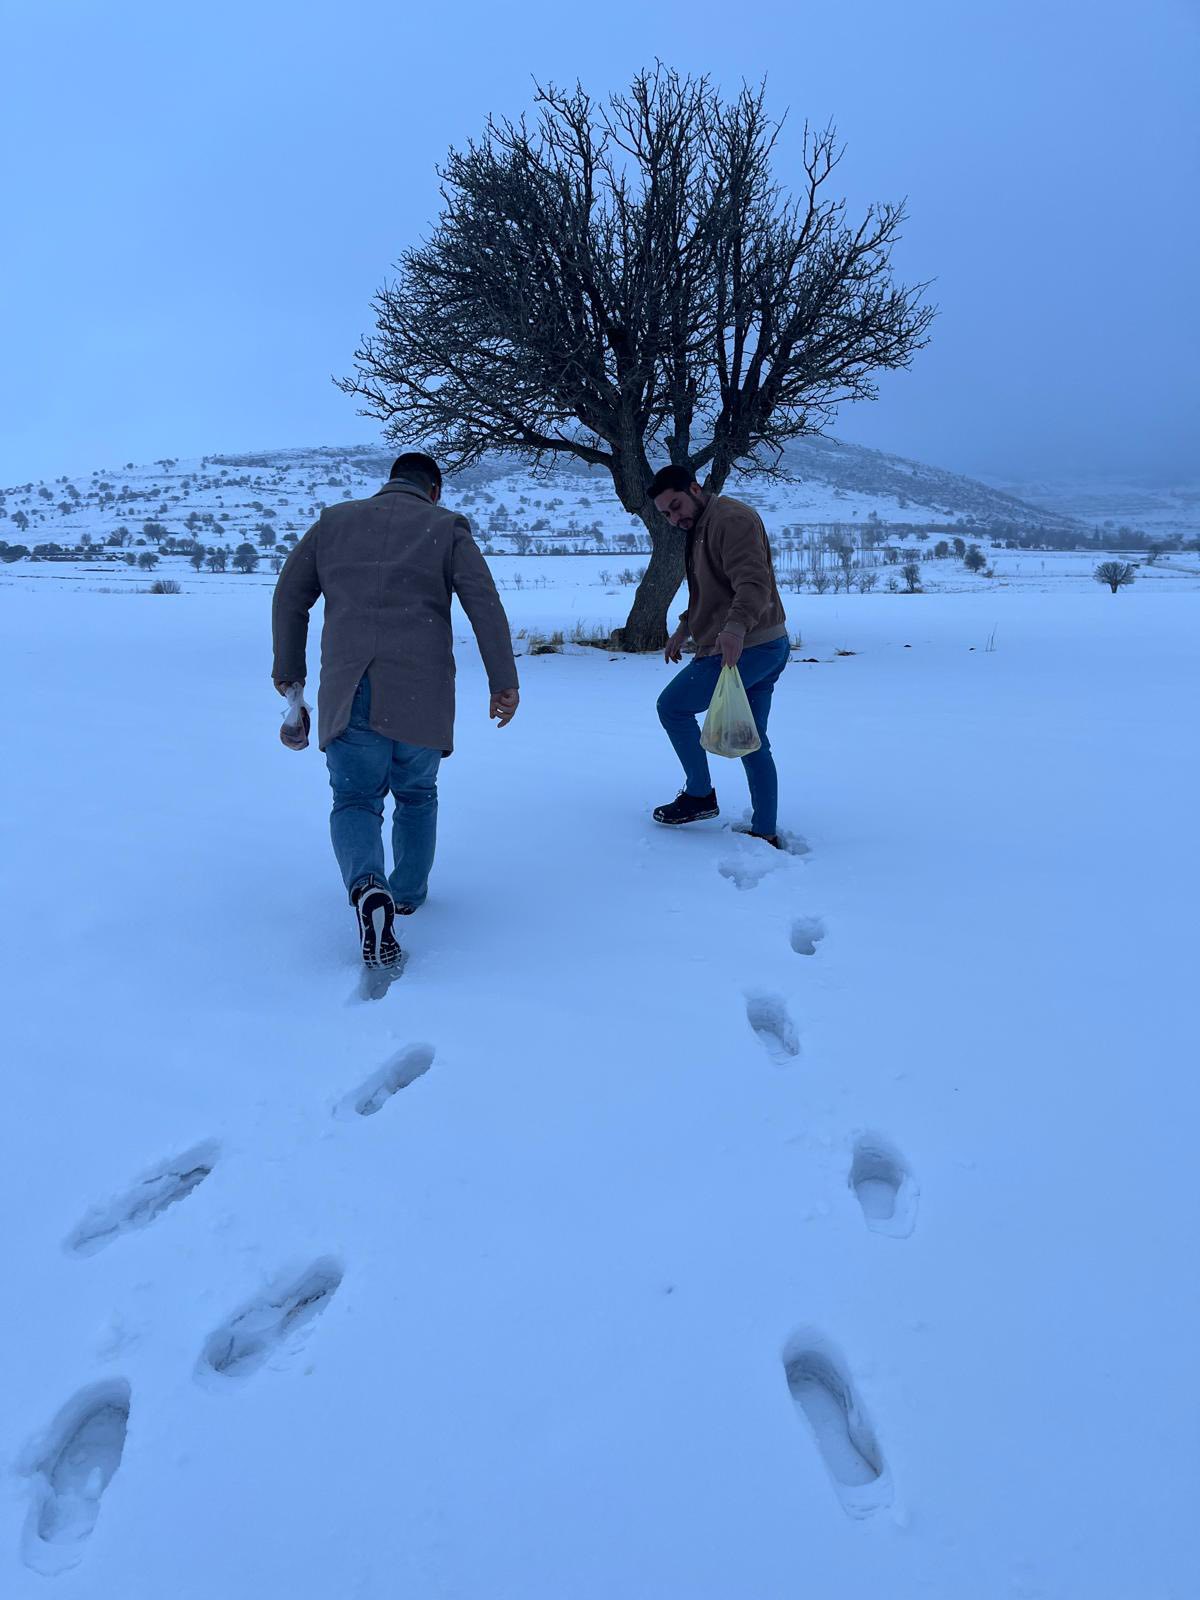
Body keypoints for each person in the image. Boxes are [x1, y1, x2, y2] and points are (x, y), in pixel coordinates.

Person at [272, 451, 519, 968]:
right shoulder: (446, 527)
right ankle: (405, 894)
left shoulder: (334, 523)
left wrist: (289, 671)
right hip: (422, 691)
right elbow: (484, 602)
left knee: (355, 799)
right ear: (435, 490)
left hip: (350, 688)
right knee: (417, 794)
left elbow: (289, 595)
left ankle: (367, 886)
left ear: (389, 482)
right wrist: (503, 681)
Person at [649, 464, 789, 847]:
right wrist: (685, 626)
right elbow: (711, 590)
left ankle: (699, 795)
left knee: (672, 708)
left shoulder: (730, 519)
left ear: (695, 489)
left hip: (746, 648)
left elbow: (753, 581)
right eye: (666, 514)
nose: (674, 518)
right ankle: (765, 830)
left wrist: (735, 627)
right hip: (766, 645)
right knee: (750, 739)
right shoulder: (702, 525)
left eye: (676, 506)